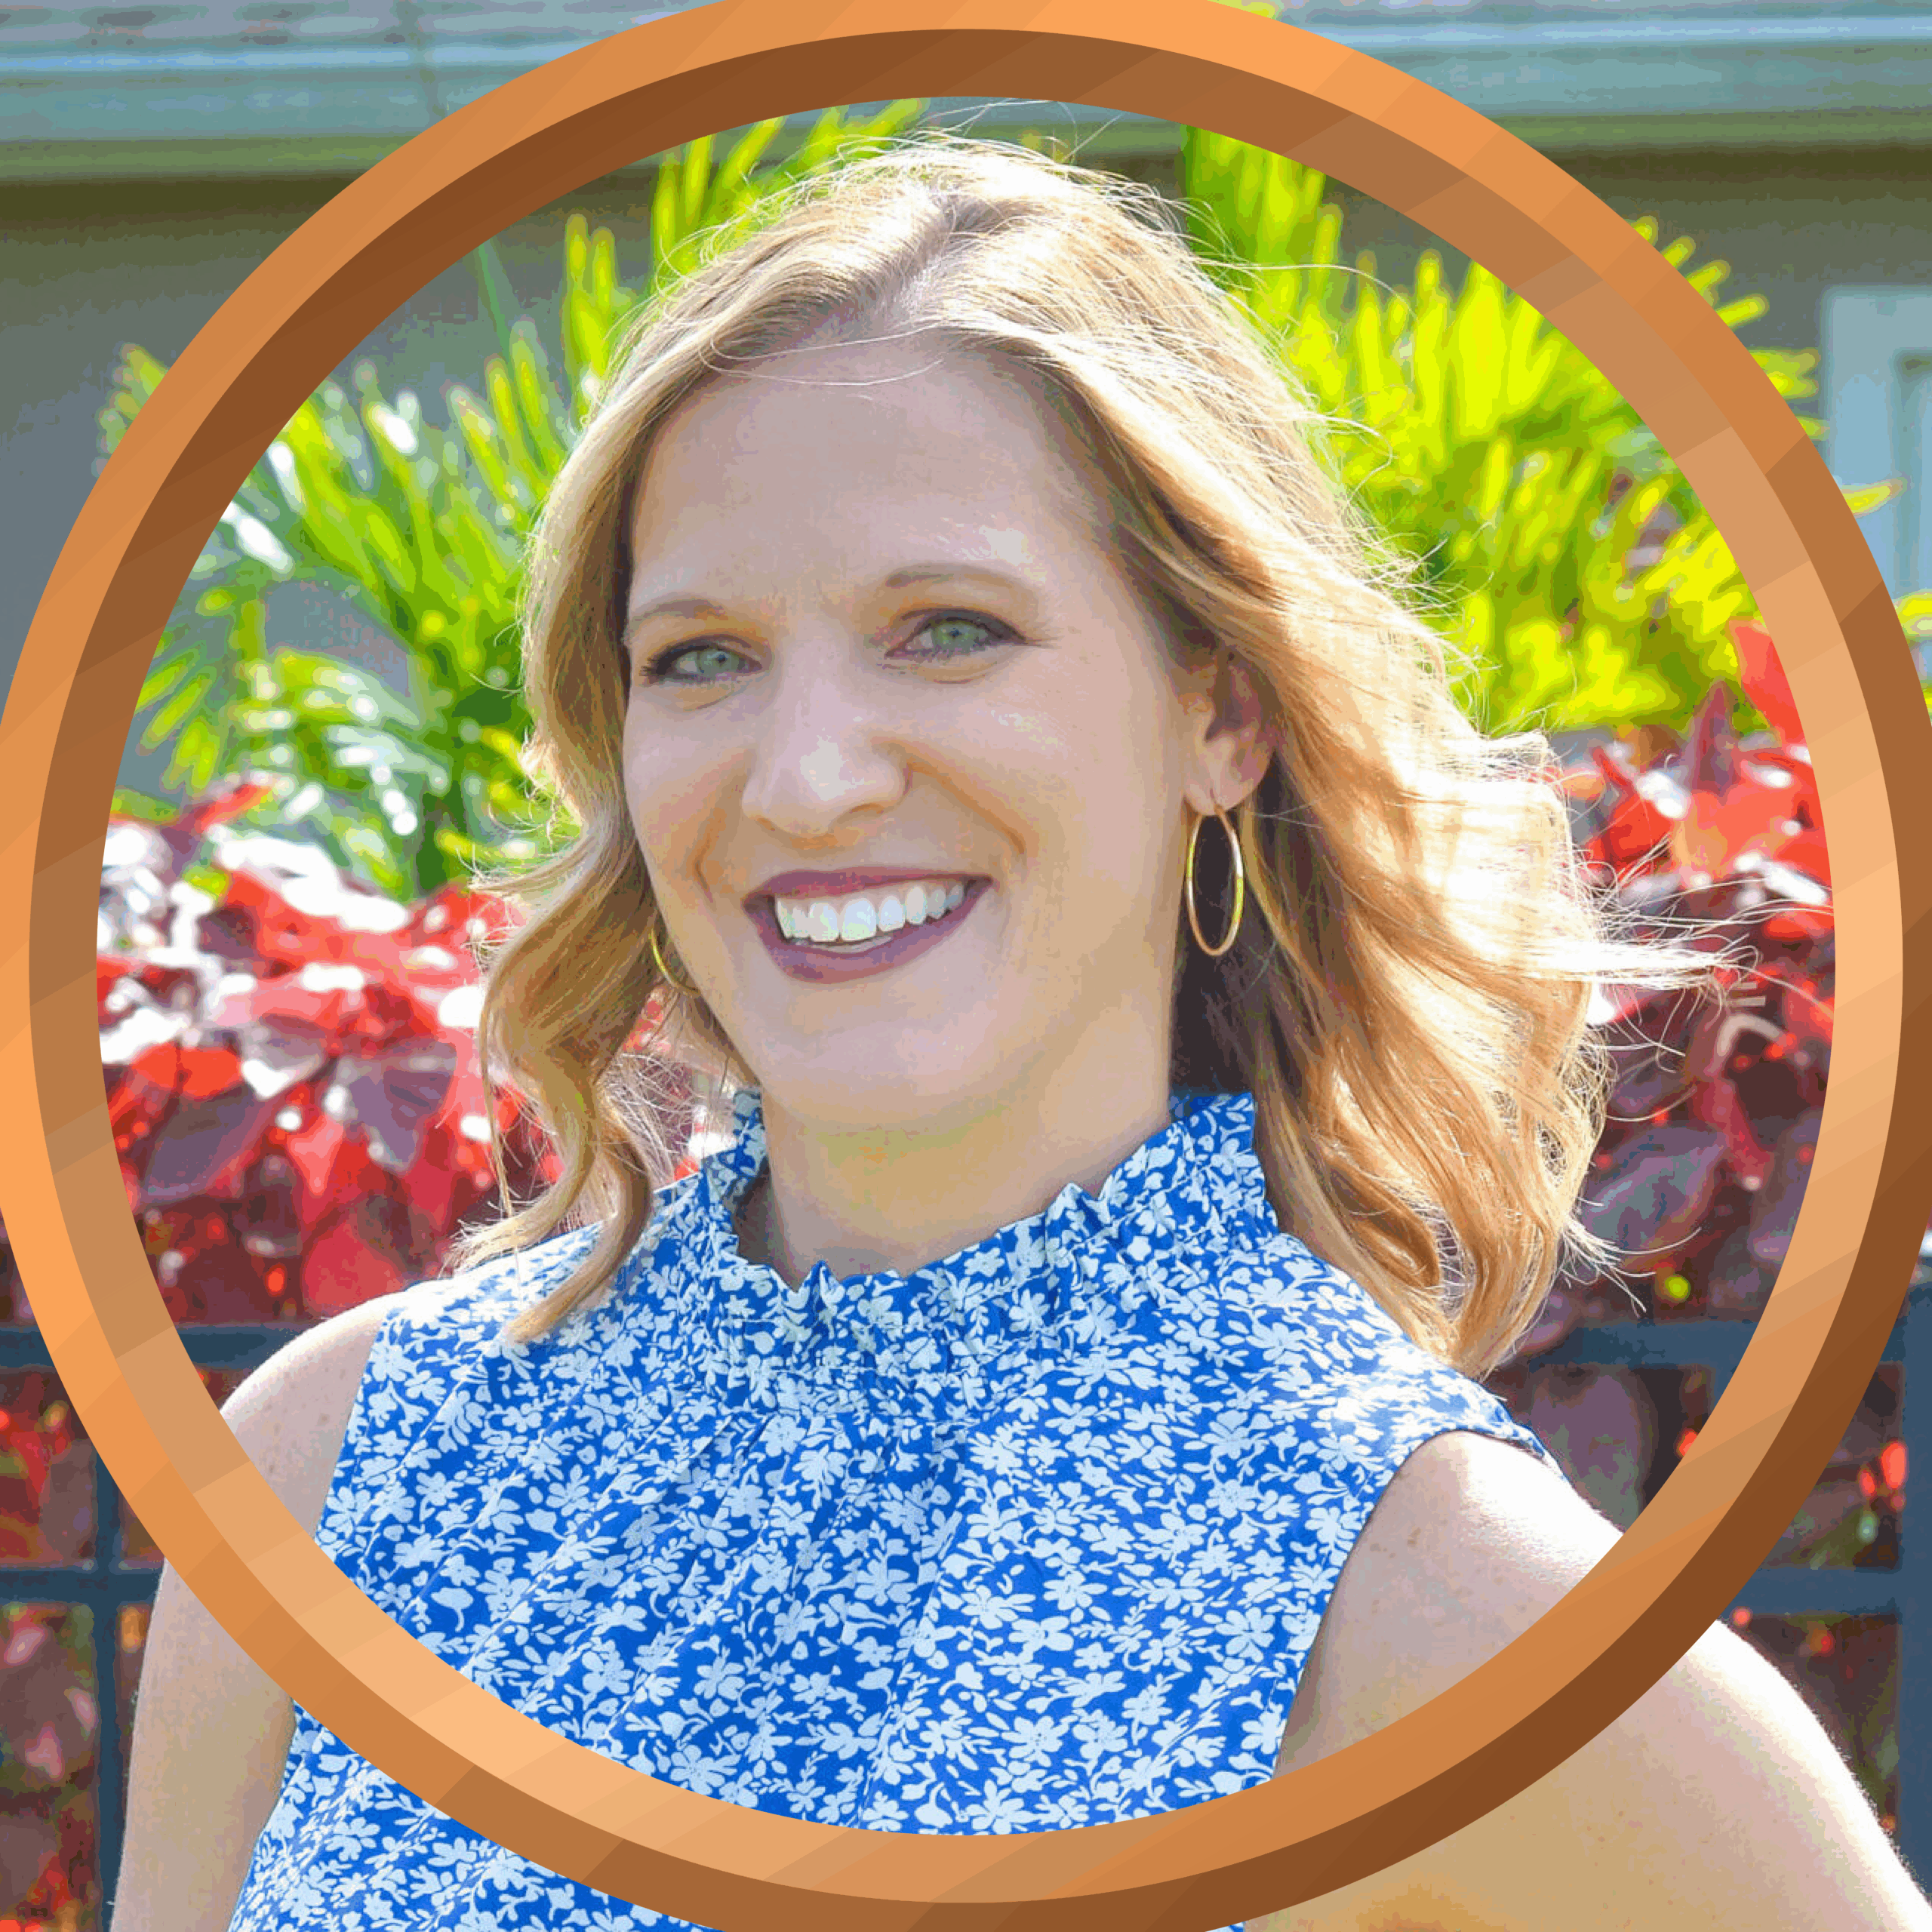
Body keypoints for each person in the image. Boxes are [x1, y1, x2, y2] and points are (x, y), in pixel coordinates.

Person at [115, 135, 1930, 1932]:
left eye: (947, 629)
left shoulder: (1436, 1600)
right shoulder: (336, 1465)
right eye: (701, 656)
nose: (805, 777)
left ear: (1220, 715)